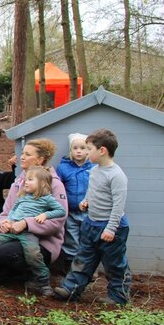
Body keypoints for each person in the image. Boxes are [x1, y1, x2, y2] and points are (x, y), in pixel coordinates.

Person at [55, 129, 132, 305]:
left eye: (89, 149)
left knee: (115, 264)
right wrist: (86, 201)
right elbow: (93, 190)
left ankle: (118, 296)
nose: (86, 152)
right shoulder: (95, 170)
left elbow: (119, 206)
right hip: (91, 222)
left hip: (111, 227)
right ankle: (70, 289)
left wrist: (111, 229)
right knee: (83, 257)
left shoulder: (117, 175)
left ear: (102, 150)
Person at [0, 167, 67, 296]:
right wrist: (7, 221)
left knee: (33, 255)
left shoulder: (47, 199)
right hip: (11, 230)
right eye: (25, 179)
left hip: (28, 234)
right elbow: (13, 210)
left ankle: (43, 283)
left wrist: (45, 215)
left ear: (42, 183)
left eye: (30, 180)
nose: (25, 182)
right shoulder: (22, 196)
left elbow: (61, 211)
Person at [0, 139, 68, 283]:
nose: (22, 157)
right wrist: (4, 223)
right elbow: (6, 212)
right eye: (22, 153)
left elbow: (58, 220)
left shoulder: (54, 184)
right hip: (13, 236)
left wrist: (27, 223)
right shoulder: (18, 183)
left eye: (27, 154)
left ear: (40, 160)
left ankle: (34, 276)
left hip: (42, 243)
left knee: (3, 254)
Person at [56, 133, 95, 269]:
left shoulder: (93, 169)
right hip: (70, 212)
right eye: (75, 148)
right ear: (70, 151)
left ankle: (86, 268)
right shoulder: (63, 168)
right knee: (71, 239)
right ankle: (70, 267)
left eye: (83, 148)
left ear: (88, 151)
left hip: (88, 212)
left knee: (87, 239)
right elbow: (58, 188)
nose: (79, 151)